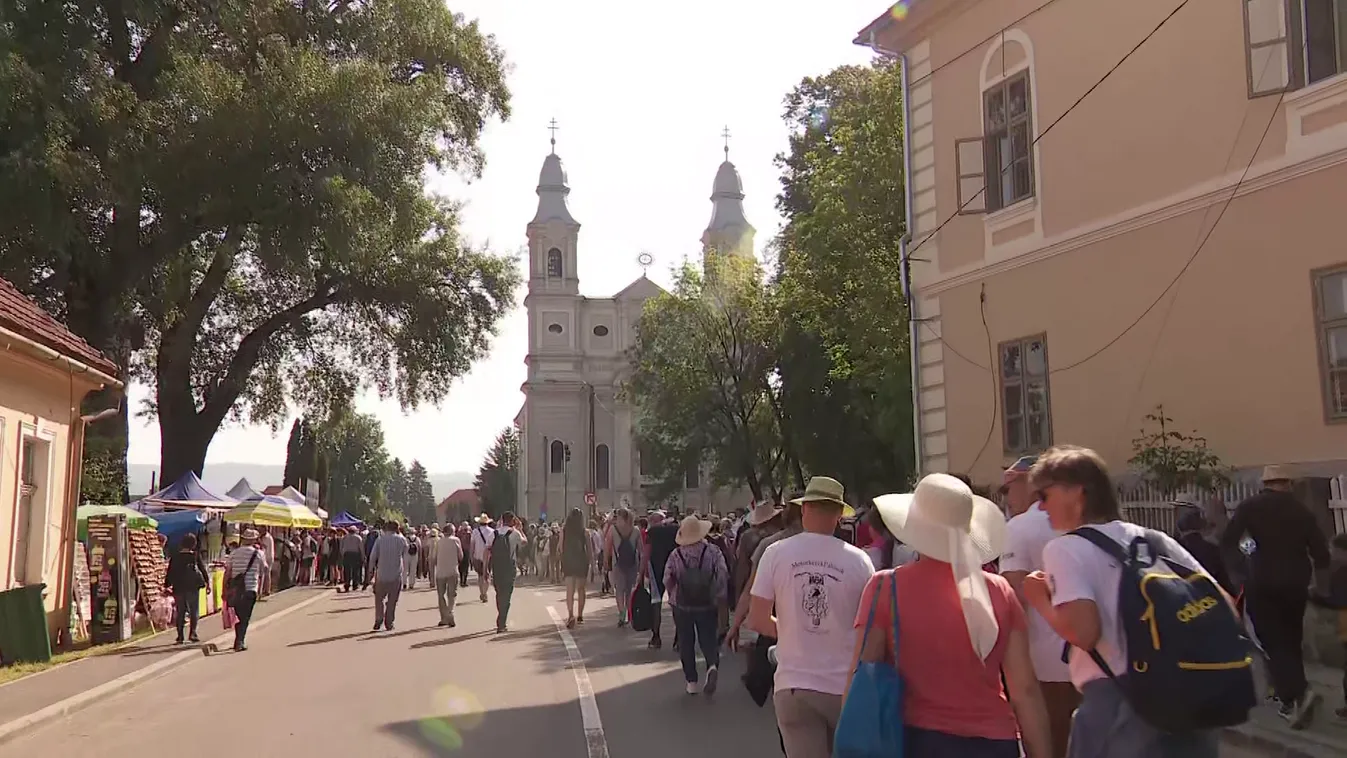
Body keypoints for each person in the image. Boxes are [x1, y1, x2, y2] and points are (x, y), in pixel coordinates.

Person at [1023, 446, 1224, 757]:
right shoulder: (1154, 539)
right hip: (1187, 698)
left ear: (1077, 493)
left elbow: (1084, 633)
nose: (1040, 506)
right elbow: (1222, 605)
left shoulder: (1065, 549)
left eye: (1044, 495)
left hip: (1118, 703)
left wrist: (1040, 601)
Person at [856, 474, 1051, 758]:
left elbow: (863, 671)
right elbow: (1025, 690)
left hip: (917, 739)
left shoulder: (885, 588)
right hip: (994, 742)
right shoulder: (999, 591)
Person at [748, 477, 872, 757]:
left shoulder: (775, 553)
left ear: (804, 510)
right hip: (844, 688)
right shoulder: (859, 561)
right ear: (839, 516)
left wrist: (793, 630)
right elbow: (870, 626)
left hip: (794, 686)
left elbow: (757, 619)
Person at [1221, 465, 1330, 726]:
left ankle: (1298, 692)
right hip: (1296, 583)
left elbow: (1231, 541)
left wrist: (1248, 558)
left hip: (1262, 582)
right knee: (1292, 638)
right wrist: (1321, 586)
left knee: (1273, 641)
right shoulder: (1302, 511)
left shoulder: (1250, 507)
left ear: (1265, 483)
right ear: (1288, 484)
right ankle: (1291, 700)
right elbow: (1321, 552)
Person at [998, 456, 1077, 758]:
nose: (1006, 498)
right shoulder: (1084, 520)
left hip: (1043, 666)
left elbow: (1013, 601)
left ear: (1030, 484)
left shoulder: (1018, 528)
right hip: (1096, 663)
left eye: (1008, 489)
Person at [663, 515, 729, 695]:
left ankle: (691, 681)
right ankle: (711, 665)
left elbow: (667, 578)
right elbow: (722, 574)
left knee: (686, 641)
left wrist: (672, 595)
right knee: (708, 637)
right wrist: (719, 595)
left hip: (682, 604)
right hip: (707, 602)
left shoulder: (676, 555)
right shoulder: (713, 551)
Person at [637, 510, 679, 649]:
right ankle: (679, 637)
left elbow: (646, 554)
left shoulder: (652, 533)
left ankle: (656, 637)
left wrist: (641, 574)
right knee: (676, 603)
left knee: (656, 602)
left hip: (656, 568)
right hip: (674, 568)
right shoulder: (675, 529)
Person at [225, 529, 268, 651]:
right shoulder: (258, 553)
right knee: (245, 616)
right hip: (250, 588)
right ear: (254, 540)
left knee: (238, 615)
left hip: (236, 589)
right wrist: (261, 588)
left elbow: (228, 572)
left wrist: (225, 589)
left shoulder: (234, 553)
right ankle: (240, 641)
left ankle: (238, 639)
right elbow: (264, 570)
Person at [165, 533, 209, 644]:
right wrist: (207, 582)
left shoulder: (175, 557)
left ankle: (180, 636)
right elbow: (202, 569)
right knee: (194, 611)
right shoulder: (194, 556)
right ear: (193, 544)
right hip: (192, 586)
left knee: (180, 612)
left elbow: (170, 572)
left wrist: (166, 585)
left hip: (179, 587)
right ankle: (193, 633)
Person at [485, 512, 526, 632]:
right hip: (509, 568)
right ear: (513, 520)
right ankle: (502, 622)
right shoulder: (515, 533)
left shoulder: (494, 533)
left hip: (497, 567)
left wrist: (485, 569)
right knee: (507, 595)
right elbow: (524, 543)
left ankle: (500, 617)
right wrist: (520, 529)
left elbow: (487, 551)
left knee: (499, 593)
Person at [368, 521, 409, 632]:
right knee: (392, 600)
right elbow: (406, 556)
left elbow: (372, 557)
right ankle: (389, 622)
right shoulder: (402, 540)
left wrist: (370, 571)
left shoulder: (380, 540)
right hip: (396, 575)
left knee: (379, 599)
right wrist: (406, 572)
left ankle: (379, 618)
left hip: (381, 574)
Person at [607, 507, 641, 627]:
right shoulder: (635, 530)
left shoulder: (613, 529)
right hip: (633, 563)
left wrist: (606, 563)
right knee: (629, 589)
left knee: (619, 590)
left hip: (618, 563)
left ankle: (622, 613)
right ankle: (628, 613)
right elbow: (640, 549)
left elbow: (607, 546)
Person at [560, 508, 593, 628]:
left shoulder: (564, 530)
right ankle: (580, 615)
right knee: (581, 589)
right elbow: (589, 550)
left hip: (568, 561)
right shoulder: (585, 532)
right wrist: (592, 565)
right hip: (581, 561)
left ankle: (570, 615)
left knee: (570, 590)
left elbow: (560, 547)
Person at [434, 526, 464, 627]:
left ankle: (444, 618)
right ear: (452, 531)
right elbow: (461, 556)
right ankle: (450, 612)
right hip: (452, 570)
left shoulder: (439, 542)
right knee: (452, 594)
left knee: (441, 595)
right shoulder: (456, 540)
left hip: (440, 572)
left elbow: (434, 557)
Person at [470, 514, 496, 603]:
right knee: (487, 575)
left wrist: (471, 556)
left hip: (477, 556)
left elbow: (472, 545)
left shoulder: (475, 532)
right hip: (489, 557)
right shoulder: (492, 532)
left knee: (480, 576)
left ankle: (482, 592)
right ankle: (485, 592)